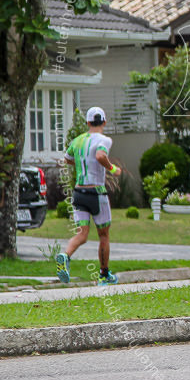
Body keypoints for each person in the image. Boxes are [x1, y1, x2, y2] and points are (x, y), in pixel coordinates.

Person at [55, 107, 122, 286]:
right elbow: (100, 155)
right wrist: (113, 169)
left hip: (79, 193)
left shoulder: (77, 141)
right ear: (104, 122)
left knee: (82, 234)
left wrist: (81, 162)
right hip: (96, 193)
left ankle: (65, 255)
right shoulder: (104, 140)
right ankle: (104, 274)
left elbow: (67, 158)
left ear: (87, 122)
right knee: (104, 235)